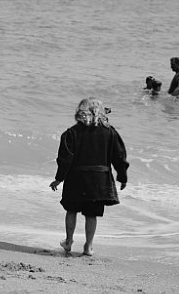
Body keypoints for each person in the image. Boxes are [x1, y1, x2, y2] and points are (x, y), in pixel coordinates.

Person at [49, 98, 129, 257]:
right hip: (99, 180)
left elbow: (64, 159)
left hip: (75, 178)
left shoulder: (71, 133)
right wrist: (122, 176)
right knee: (91, 214)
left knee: (71, 210)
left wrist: (59, 178)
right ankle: (88, 246)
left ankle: (69, 241)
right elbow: (119, 156)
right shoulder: (110, 132)